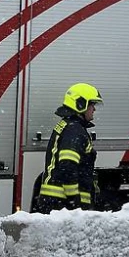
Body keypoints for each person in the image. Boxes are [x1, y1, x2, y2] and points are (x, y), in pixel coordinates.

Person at [32, 82, 101, 213]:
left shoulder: (68, 126)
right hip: (63, 206)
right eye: (92, 105)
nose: (94, 109)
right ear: (81, 105)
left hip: (55, 203)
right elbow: (67, 165)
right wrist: (74, 200)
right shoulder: (75, 130)